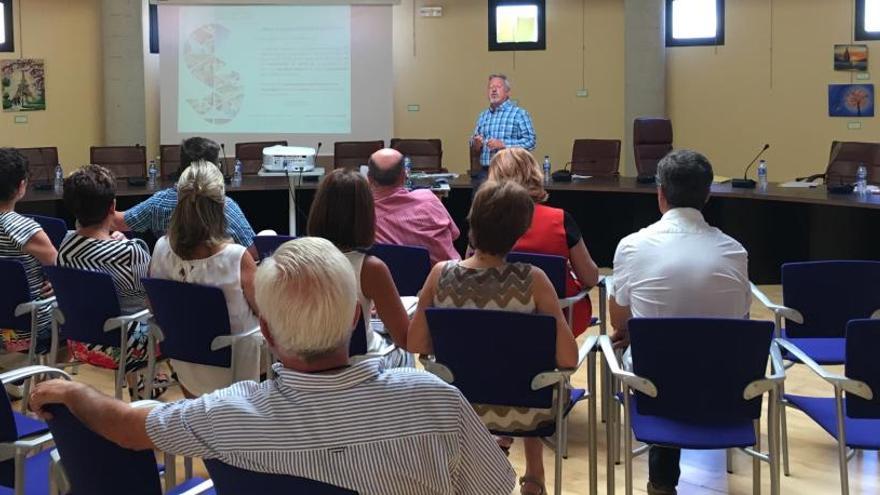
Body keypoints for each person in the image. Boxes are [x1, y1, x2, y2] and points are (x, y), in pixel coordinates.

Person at [29, 237, 516, 495]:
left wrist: (74, 391)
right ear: (355, 319)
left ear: (266, 331)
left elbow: (126, 427)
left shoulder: (223, 414)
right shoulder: (436, 402)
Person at [409, 180, 577, 495]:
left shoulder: (440, 275)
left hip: (458, 407)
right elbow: (568, 358)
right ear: (521, 230)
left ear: (471, 222)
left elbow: (415, 344)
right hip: (529, 411)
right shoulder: (534, 280)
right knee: (531, 376)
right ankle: (535, 475)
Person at [609, 149, 750, 495]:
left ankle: (660, 481)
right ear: (707, 195)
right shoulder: (735, 251)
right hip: (724, 386)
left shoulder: (632, 247)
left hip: (657, 385)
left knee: (651, 355)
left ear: (660, 194)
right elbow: (741, 317)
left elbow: (619, 320)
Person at [149, 160, 261, 396]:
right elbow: (267, 311)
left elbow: (155, 306)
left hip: (185, 364)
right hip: (237, 372)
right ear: (222, 204)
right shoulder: (236, 258)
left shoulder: (159, 249)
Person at [58, 164, 163, 394]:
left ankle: (147, 382)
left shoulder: (65, 246)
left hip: (81, 341)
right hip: (126, 344)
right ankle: (150, 384)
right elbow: (150, 299)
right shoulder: (131, 251)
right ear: (112, 207)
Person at [489, 148, 600, 336]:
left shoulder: (485, 222)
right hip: (560, 324)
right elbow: (590, 277)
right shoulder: (560, 220)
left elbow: (472, 271)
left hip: (497, 324)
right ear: (534, 175)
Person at [309, 168, 412, 367]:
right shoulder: (371, 269)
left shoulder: (298, 261)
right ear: (366, 215)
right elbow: (404, 338)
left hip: (312, 364)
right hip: (362, 363)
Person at [111, 137, 257, 256]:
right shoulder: (225, 206)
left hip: (175, 282)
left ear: (182, 166)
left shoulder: (160, 203)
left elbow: (117, 222)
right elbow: (253, 251)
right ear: (214, 170)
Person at [0, 148, 56, 354]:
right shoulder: (24, 228)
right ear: (21, 186)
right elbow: (64, 271)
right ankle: (49, 382)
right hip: (30, 328)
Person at [368, 148, 461, 265]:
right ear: (404, 175)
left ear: (369, 178)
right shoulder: (428, 199)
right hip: (448, 279)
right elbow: (455, 234)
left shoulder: (365, 217)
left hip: (394, 282)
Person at [471, 74, 537, 170]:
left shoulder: (519, 114)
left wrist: (504, 144)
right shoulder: (483, 116)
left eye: (498, 87)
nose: (493, 90)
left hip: (511, 172)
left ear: (507, 92)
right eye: (491, 87)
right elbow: (474, 144)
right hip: (486, 171)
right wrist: (476, 145)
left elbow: (531, 142)